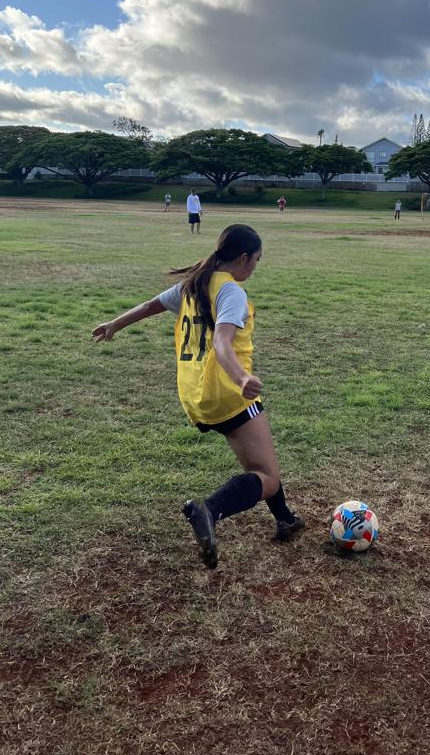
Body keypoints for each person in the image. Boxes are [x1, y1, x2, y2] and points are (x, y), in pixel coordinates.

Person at [92, 224, 304, 569]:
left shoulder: (193, 284)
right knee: (267, 477)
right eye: (257, 260)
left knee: (261, 464)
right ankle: (210, 510)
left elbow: (151, 305)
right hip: (228, 394)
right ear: (243, 257)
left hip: (196, 397)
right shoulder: (230, 292)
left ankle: (286, 519)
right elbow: (222, 342)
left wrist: (115, 324)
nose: (256, 267)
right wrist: (242, 377)